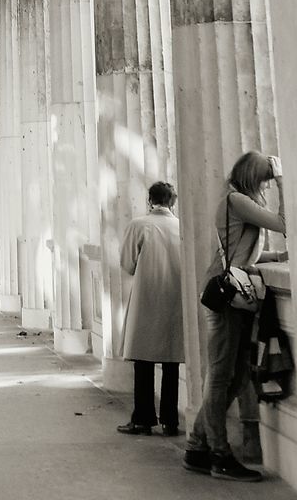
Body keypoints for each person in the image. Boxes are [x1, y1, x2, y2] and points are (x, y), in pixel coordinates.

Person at [184, 151, 287, 483]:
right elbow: (285, 224)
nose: (267, 188)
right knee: (221, 376)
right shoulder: (237, 199)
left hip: (230, 291)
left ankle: (198, 447)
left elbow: (240, 250)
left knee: (234, 373)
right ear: (252, 178)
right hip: (229, 297)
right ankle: (219, 455)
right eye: (265, 181)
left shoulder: (234, 199)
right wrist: (284, 180)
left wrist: (275, 256)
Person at [117, 181, 184, 438]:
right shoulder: (180, 226)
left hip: (148, 296)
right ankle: (170, 421)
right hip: (174, 296)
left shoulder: (139, 225)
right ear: (173, 202)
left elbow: (127, 263)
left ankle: (143, 418)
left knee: (143, 361)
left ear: (150, 200)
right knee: (171, 361)